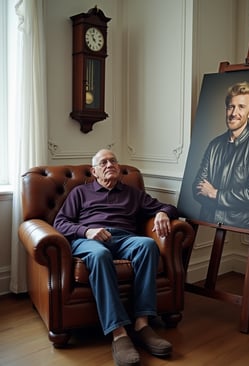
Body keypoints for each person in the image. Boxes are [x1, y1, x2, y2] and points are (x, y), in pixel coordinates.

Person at [54, 148, 178, 366]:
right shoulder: (80, 193)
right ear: (94, 171)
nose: (110, 165)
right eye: (103, 163)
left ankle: (142, 324)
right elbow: (60, 223)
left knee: (148, 244)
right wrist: (87, 231)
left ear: (119, 168)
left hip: (124, 238)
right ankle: (119, 333)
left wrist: (162, 212)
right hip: (90, 240)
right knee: (100, 255)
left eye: (113, 161)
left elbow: (169, 206)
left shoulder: (132, 193)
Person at [192, 81, 249, 230]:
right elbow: (197, 187)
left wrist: (215, 194)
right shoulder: (214, 144)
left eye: (241, 107)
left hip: (239, 226)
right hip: (208, 220)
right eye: (231, 107)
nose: (234, 113)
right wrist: (229, 198)